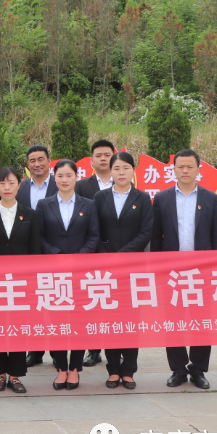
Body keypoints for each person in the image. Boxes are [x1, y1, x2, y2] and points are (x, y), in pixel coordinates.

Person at [152, 148, 217, 390]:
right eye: (180, 166)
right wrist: (157, 270)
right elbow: (156, 239)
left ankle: (198, 369)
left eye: (189, 166)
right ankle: (178, 369)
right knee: (172, 321)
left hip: (201, 272)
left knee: (201, 321)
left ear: (198, 170)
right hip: (171, 273)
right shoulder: (162, 199)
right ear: (173, 169)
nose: (185, 170)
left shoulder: (210, 199)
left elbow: (216, 240)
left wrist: (215, 271)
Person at [36, 159, 99, 390]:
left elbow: (94, 235)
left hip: (81, 273)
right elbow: (39, 236)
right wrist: (59, 255)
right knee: (56, 322)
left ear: (76, 177)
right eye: (60, 175)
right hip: (54, 273)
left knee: (78, 321)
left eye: (69, 175)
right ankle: (61, 368)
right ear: (54, 178)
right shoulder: (44, 204)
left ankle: (74, 369)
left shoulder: (88, 205)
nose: (64, 180)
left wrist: (79, 258)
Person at [93, 152, 152, 390]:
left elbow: (146, 232)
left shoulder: (143, 198)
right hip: (106, 270)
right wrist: (106, 257)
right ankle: (113, 370)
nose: (121, 173)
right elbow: (94, 230)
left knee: (130, 320)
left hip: (132, 269)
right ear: (111, 171)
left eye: (126, 168)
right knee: (110, 319)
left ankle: (128, 370)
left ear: (133, 171)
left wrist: (122, 255)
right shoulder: (100, 197)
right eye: (116, 168)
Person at [0, 168, 41, 393]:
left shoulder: (30, 214)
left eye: (11, 183)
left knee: (18, 326)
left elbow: (35, 250)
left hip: (21, 282)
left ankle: (15, 375)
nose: (7, 187)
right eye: (2, 183)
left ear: (19, 185)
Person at [75, 139, 116, 367]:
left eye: (107, 155)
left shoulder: (123, 181)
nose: (103, 159)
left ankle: (116, 349)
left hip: (117, 254)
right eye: (98, 155)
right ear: (91, 160)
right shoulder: (82, 186)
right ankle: (93, 350)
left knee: (114, 305)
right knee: (92, 303)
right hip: (90, 252)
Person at [19, 144, 55, 368]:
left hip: (55, 253)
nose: (37, 164)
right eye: (32, 160)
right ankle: (35, 351)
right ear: (28, 164)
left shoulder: (61, 182)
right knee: (34, 305)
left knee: (57, 303)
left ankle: (58, 352)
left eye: (41, 159)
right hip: (28, 254)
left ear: (49, 161)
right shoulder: (21, 187)